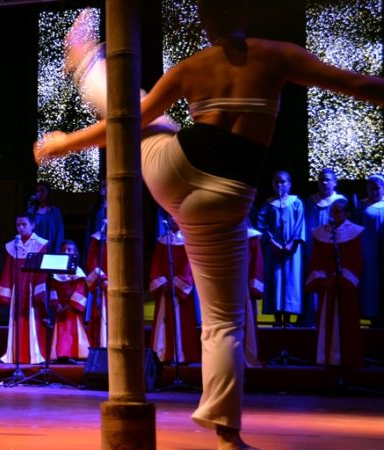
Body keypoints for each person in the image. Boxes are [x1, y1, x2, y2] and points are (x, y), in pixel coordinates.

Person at [34, 2, 383, 447]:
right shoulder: (276, 54)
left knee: (149, 117)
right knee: (223, 322)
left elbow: (126, 121)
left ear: (205, 21)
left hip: (174, 171)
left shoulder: (192, 67)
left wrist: (65, 144)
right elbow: (359, 84)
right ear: (244, 14)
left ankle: (86, 62)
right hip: (224, 198)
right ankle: (226, 436)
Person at [305, 199, 363, 368]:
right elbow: (316, 258)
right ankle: (325, 357)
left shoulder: (355, 232)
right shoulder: (321, 233)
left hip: (345, 288)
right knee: (326, 321)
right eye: (332, 211)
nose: (333, 214)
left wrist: (339, 279)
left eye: (338, 211)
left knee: (346, 322)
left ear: (347, 213)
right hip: (327, 286)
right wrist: (323, 279)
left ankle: (346, 358)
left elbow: (355, 260)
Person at [0, 213, 48, 364]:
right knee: (16, 320)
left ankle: (34, 355)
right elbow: (8, 269)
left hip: (32, 287)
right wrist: (6, 291)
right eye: (18, 225)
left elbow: (42, 269)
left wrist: (39, 290)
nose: (20, 228)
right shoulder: (13, 245)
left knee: (32, 319)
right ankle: (15, 354)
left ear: (32, 225)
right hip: (17, 289)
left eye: (24, 224)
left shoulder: (40, 244)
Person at [149, 215, 198, 364]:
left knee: (182, 323)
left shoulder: (188, 241)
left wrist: (177, 285)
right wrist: (163, 284)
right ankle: (162, 354)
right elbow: (156, 265)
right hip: (165, 290)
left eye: (175, 217)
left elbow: (188, 266)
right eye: (170, 217)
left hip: (180, 292)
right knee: (163, 321)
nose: (173, 220)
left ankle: (182, 355)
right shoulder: (163, 241)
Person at [257, 171, 304, 327]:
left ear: (289, 184)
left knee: (291, 279)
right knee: (275, 279)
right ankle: (277, 317)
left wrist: (292, 243)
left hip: (292, 250)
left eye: (283, 182)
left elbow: (299, 224)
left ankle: (289, 317)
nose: (279, 185)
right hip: (273, 250)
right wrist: (272, 242)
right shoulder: (268, 204)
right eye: (276, 182)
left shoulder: (296, 202)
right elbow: (262, 225)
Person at [301, 168, 347, 327]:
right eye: (321, 180)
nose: (324, 183)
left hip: (335, 247)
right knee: (315, 276)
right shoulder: (310, 202)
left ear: (335, 182)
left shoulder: (341, 201)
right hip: (314, 247)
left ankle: (335, 317)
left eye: (328, 180)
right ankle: (312, 316)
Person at [48, 240, 90, 362]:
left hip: (72, 308)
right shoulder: (56, 271)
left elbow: (80, 289)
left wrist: (71, 305)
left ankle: (73, 354)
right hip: (60, 307)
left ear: (75, 253)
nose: (66, 252)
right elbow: (53, 287)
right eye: (63, 250)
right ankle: (59, 354)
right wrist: (56, 304)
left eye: (69, 250)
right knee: (60, 330)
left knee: (72, 330)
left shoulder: (78, 272)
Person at [358, 175, 384, 325]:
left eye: (377, 188)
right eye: (371, 188)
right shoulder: (361, 206)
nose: (374, 192)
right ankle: (372, 314)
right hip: (369, 249)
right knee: (371, 280)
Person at [85, 219, 108, 348]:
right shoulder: (97, 239)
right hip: (102, 283)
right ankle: (100, 344)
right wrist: (103, 279)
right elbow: (92, 261)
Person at [244, 226, 263, 368]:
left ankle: (247, 357)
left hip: (244, 288)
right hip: (224, 289)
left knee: (247, 324)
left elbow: (257, 263)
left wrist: (254, 287)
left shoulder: (251, 237)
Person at [28, 181, 65, 253]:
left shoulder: (55, 212)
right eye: (37, 191)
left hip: (51, 248)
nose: (39, 193)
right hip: (35, 249)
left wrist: (57, 251)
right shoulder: (31, 211)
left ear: (48, 192)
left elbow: (59, 233)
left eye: (42, 191)